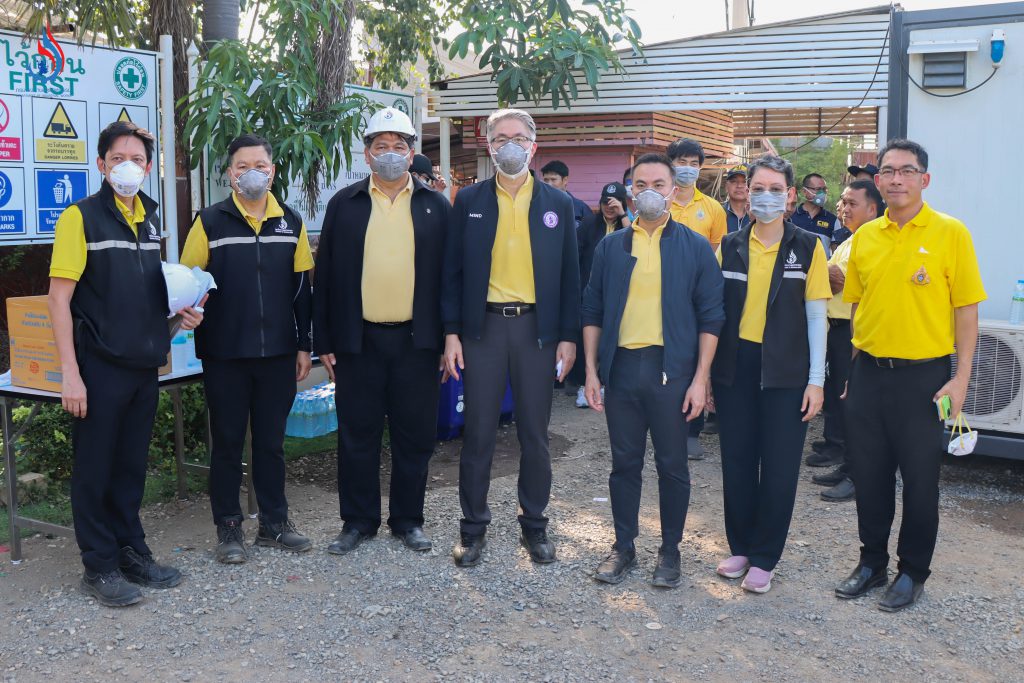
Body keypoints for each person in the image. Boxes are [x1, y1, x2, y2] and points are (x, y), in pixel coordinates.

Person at [48, 121, 205, 607]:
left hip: (143, 365)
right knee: (95, 468)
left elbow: (143, 298)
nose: (128, 167)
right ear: (101, 165)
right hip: (99, 366)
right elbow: (58, 300)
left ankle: (131, 552)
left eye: (137, 159)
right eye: (118, 158)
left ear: (149, 167)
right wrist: (70, 375)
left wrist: (180, 320)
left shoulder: (150, 221)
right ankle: (99, 565)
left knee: (130, 467)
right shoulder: (81, 218)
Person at [835, 139, 985, 612]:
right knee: (870, 477)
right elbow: (859, 303)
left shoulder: (950, 233)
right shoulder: (866, 237)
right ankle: (872, 562)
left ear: (925, 179)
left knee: (921, 483)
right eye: (888, 171)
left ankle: (912, 571)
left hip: (925, 380)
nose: (896, 178)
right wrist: (855, 366)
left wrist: (959, 380)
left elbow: (966, 312)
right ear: (877, 180)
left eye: (907, 170)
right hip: (869, 376)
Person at [442, 108, 580, 568]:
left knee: (534, 434)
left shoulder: (558, 204)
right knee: (478, 432)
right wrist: (452, 334)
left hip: (536, 332)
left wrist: (567, 336)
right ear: (489, 146)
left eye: (519, 137)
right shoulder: (470, 200)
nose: (510, 145)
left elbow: (570, 277)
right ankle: (473, 529)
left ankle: (535, 526)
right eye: (501, 138)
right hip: (482, 329)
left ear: (534, 145)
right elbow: (453, 274)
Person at [582, 153, 724, 587]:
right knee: (624, 464)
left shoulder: (695, 246)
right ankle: (623, 547)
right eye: (640, 183)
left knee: (672, 465)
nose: (649, 191)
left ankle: (670, 551)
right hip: (622, 369)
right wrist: (590, 370)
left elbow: (711, 316)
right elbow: (593, 308)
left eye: (658, 184)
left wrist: (701, 380)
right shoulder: (611, 245)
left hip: (672, 372)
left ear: (673, 189)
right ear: (630, 189)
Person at [312, 108, 450, 555]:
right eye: (381, 146)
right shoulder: (345, 205)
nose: (390, 154)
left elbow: (451, 278)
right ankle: (358, 521)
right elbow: (326, 277)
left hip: (418, 341)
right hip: (359, 341)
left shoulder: (435, 205)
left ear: (412, 154)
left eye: (399, 146)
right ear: (367, 154)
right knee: (358, 433)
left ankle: (408, 520)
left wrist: (450, 338)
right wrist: (325, 342)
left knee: (415, 435)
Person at [180, 134, 314, 563]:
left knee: (272, 443)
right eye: (242, 166)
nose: (251, 172)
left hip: (278, 353)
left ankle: (275, 524)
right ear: (230, 173)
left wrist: (305, 345)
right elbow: (187, 284)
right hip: (224, 354)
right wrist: (187, 313)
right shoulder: (209, 222)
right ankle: (230, 529)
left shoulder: (291, 222)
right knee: (227, 443)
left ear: (272, 170)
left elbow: (302, 292)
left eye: (259, 164)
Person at [711, 153, 830, 594]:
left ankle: (765, 556)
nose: (765, 197)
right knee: (738, 462)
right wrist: (704, 374)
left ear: (791, 196)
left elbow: (817, 317)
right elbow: (714, 313)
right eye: (758, 189)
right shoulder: (729, 245)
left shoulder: (808, 247)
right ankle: (740, 546)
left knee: (779, 467)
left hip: (786, 371)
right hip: (735, 368)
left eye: (774, 190)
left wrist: (816, 379)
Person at [806, 180, 883, 505]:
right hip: (837, 329)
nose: (844, 207)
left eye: (852, 203)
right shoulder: (851, 239)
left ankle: (858, 474)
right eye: (843, 201)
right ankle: (848, 464)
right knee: (842, 400)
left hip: (856, 333)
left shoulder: (875, 240)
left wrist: (825, 274)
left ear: (872, 208)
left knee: (857, 406)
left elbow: (840, 281)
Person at [667, 138, 727, 459]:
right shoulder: (660, 202)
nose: (687, 168)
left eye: (693, 163)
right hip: (661, 293)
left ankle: (692, 429)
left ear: (700, 168)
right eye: (681, 161)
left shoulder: (713, 208)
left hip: (697, 296)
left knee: (696, 359)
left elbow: (719, 253)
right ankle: (666, 423)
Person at [569, 181, 631, 408]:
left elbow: (633, 240)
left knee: (610, 337)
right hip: (590, 288)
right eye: (605, 202)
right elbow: (576, 254)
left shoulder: (628, 224)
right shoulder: (589, 223)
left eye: (614, 204)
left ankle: (606, 384)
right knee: (588, 336)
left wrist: (623, 214)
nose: (609, 207)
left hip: (617, 291)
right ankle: (584, 385)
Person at [790, 173, 838, 252]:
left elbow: (836, 254)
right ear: (804, 191)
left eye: (824, 189)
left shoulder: (833, 220)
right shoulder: (791, 215)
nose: (822, 193)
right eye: (818, 189)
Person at [541, 160, 592, 230]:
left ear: (565, 180)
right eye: (546, 180)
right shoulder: (537, 206)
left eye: (553, 179)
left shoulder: (581, 208)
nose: (549, 184)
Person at [722, 165, 751, 234]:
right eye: (734, 181)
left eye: (744, 182)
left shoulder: (758, 215)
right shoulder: (718, 213)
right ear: (726, 187)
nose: (739, 186)